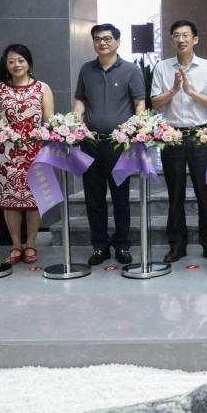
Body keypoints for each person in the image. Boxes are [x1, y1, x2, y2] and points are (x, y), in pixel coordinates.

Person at [150, 20, 207, 264]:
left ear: (195, 39)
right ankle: (176, 245)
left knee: (205, 193)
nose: (181, 39)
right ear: (172, 39)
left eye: (185, 35)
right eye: (176, 35)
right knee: (175, 194)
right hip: (172, 136)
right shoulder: (162, 67)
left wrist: (191, 92)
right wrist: (173, 90)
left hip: (201, 136)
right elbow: (155, 103)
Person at [73, 24, 146, 266]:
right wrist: (76, 121)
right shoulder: (86, 69)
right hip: (90, 143)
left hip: (118, 145)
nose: (102, 43)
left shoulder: (131, 70)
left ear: (117, 41)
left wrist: (133, 131)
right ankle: (100, 247)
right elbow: (81, 100)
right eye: (97, 39)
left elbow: (139, 104)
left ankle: (122, 245)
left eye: (107, 38)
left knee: (120, 197)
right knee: (94, 198)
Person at [0, 45, 54, 264]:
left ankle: (31, 244)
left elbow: (50, 120)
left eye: (21, 60)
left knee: (34, 199)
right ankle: (16, 245)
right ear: (6, 65)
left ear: (28, 62)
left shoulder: (42, 88)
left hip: (36, 152)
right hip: (6, 155)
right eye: (11, 61)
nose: (16, 65)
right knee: (10, 201)